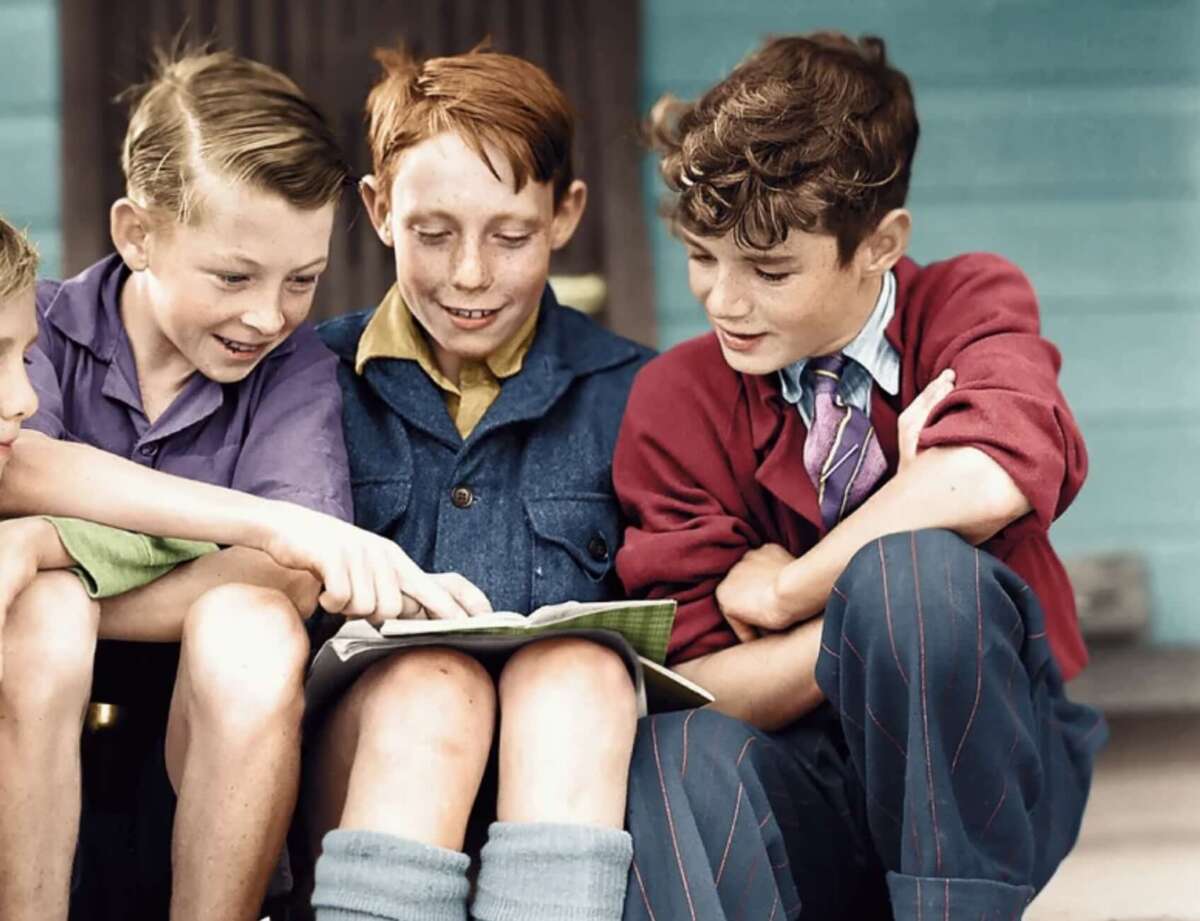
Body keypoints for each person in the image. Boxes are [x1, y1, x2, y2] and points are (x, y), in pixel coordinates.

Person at [613, 32, 1107, 921]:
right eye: (701, 255)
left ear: (879, 244)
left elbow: (988, 478)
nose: (723, 301)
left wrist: (792, 588)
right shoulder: (674, 398)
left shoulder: (967, 301)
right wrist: (873, 583)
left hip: (989, 765)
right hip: (793, 780)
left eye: (768, 270)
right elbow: (701, 684)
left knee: (915, 581)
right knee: (666, 751)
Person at [0, 51, 478, 921]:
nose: (267, 315)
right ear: (137, 233)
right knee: (42, 623)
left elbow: (286, 573)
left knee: (250, 626)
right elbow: (20, 466)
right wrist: (258, 526)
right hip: (25, 750)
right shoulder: (38, 325)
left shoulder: (291, 369)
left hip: (202, 761)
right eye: (233, 276)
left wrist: (52, 553)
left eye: (301, 281)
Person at [306, 45, 654, 921]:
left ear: (565, 214)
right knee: (433, 685)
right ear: (379, 210)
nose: (470, 275)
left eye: (510, 236)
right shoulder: (303, 382)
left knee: (580, 671)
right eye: (432, 233)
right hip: (360, 791)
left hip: (570, 797)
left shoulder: (636, 392)